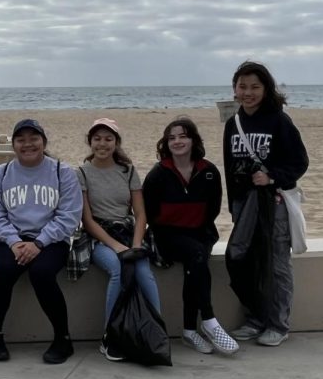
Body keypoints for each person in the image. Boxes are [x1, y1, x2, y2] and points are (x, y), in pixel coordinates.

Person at [223, 61, 309, 347]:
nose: (248, 92)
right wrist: (234, 204)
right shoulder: (233, 123)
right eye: (242, 86)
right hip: (244, 206)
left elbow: (299, 162)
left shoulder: (278, 120)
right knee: (245, 262)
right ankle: (255, 319)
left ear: (265, 89)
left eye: (255, 87)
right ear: (235, 89)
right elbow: (229, 165)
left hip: (275, 205)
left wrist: (272, 176)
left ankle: (278, 324)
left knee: (276, 265)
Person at [0, 119, 82, 364]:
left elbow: (69, 216)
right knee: (2, 272)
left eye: (33, 138)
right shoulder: (1, 173)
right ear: (14, 145)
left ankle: (63, 338)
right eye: (21, 139)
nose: (27, 144)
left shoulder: (63, 172)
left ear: (44, 141)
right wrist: (15, 241)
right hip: (13, 239)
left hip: (51, 240)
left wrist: (39, 243)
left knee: (42, 273)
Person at [143, 117, 237, 355]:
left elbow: (213, 209)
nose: (177, 141)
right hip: (167, 236)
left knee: (195, 263)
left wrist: (198, 232)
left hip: (201, 233)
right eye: (172, 137)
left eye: (183, 136)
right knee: (196, 257)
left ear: (193, 140)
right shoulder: (158, 174)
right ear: (166, 143)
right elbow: (150, 214)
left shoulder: (209, 172)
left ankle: (189, 331)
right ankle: (209, 320)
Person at [77, 118, 160, 360]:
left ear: (116, 142)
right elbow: (87, 220)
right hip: (99, 236)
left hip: (127, 231)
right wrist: (117, 248)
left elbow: (140, 213)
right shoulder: (82, 173)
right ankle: (109, 336)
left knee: (144, 271)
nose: (102, 144)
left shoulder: (129, 171)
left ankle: (155, 329)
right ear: (90, 142)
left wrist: (134, 246)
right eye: (97, 139)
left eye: (108, 139)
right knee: (116, 268)